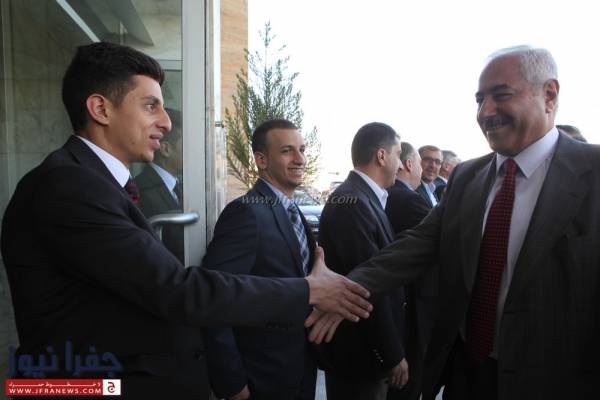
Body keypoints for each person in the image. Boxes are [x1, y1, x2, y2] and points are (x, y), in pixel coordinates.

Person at [0, 42, 371, 399]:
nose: (165, 122)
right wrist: (309, 290)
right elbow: (177, 291)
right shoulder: (69, 186)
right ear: (101, 108)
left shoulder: (94, 182)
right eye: (151, 106)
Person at [307, 45, 600, 400]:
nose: (485, 112)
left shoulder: (593, 172)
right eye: (480, 99)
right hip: (468, 377)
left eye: (501, 95)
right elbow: (415, 247)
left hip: (558, 383)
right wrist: (344, 289)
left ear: (549, 95)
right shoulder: (467, 177)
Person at [202, 119, 318, 400]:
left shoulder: (294, 211)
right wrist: (232, 382)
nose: (300, 159)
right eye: (287, 151)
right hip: (261, 378)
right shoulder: (245, 213)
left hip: (299, 370)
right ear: (261, 160)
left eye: (302, 150)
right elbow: (214, 298)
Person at [318, 122, 408, 400]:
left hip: (365, 356)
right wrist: (392, 354)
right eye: (398, 155)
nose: (401, 165)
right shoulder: (352, 203)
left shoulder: (364, 198)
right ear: (381, 156)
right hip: (359, 360)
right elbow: (367, 288)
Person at [385, 142, 436, 400]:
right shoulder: (410, 201)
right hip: (412, 308)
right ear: (408, 164)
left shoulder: (386, 195)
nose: (422, 169)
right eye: (419, 163)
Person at [135, 107, 184, 262]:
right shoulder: (139, 192)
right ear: (166, 149)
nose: (193, 151)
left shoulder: (182, 186)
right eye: (186, 145)